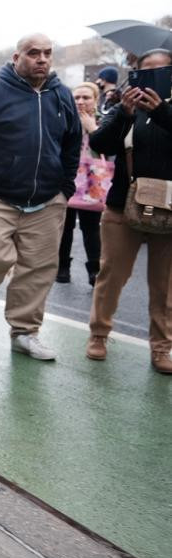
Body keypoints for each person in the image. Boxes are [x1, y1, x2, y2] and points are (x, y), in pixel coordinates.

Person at [0, 33, 81, 360]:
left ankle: (25, 331)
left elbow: (72, 143)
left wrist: (65, 189)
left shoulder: (60, 95)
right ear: (16, 58)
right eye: (33, 53)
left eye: (47, 53)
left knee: (37, 269)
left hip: (47, 200)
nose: (42, 59)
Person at [85, 48, 172, 372]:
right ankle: (98, 334)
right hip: (123, 206)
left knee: (165, 286)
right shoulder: (124, 107)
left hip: (170, 209)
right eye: (144, 71)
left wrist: (162, 112)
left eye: (160, 70)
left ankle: (162, 348)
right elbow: (100, 144)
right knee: (111, 276)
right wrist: (123, 111)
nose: (151, 76)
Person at [57, 82, 104, 285]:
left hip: (93, 180)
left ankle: (94, 270)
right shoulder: (64, 118)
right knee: (64, 227)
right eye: (77, 98)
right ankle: (62, 268)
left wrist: (92, 129)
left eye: (86, 97)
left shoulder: (104, 121)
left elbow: (109, 149)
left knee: (91, 228)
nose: (81, 101)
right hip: (66, 178)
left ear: (95, 100)